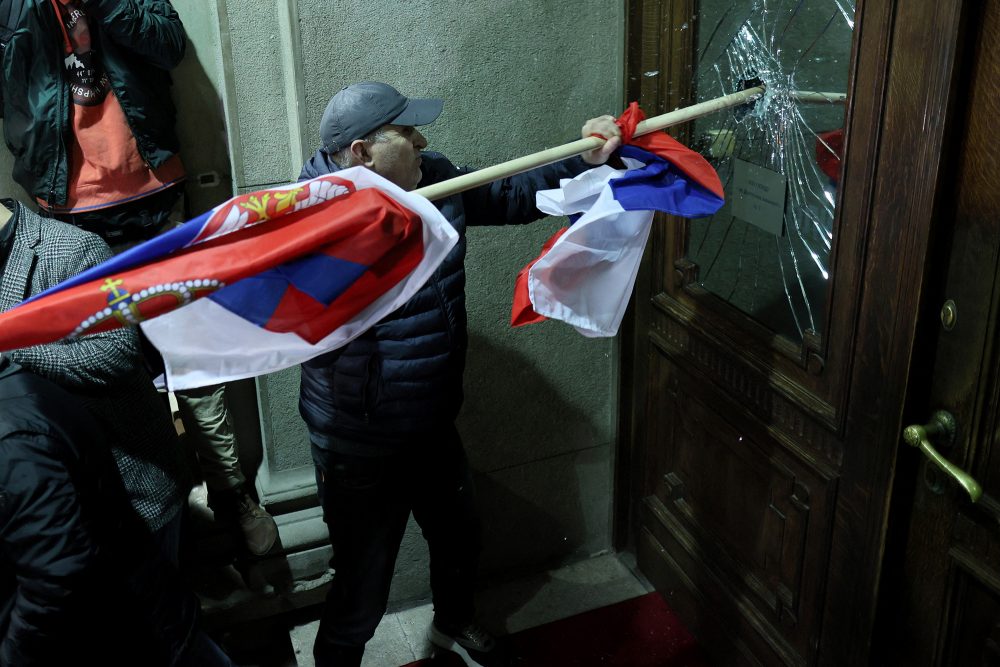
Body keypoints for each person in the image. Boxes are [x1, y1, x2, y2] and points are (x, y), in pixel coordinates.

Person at [298, 81, 621, 667]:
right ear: (362, 153)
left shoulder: (434, 179)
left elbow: (514, 192)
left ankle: (454, 622)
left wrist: (586, 158)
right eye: (406, 134)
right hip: (359, 444)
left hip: (431, 424)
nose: (423, 141)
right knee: (362, 588)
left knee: (459, 538)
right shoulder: (307, 221)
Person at [0, 0, 277, 555]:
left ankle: (232, 496)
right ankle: (165, 502)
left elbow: (167, 44)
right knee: (112, 371)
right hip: (67, 216)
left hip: (154, 200)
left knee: (192, 358)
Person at [0, 353, 235, 666]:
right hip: (109, 540)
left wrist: (10, 656)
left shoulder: (14, 437)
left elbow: (56, 575)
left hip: (139, 494)